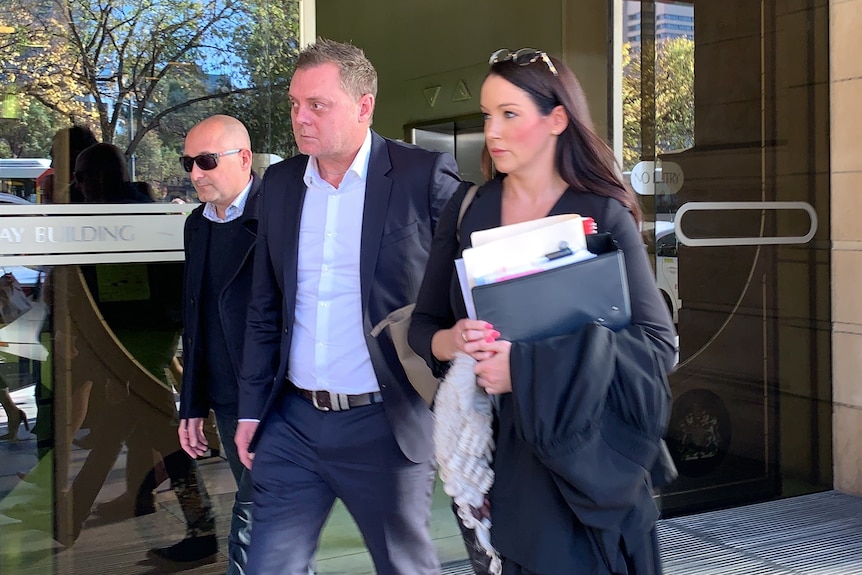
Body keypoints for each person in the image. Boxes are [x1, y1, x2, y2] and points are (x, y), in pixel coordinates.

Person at [408, 49, 678, 574]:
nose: (493, 131)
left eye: (510, 114)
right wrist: (454, 341)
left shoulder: (602, 214)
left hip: (595, 463)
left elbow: (657, 345)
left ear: (557, 119)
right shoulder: (468, 211)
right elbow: (424, 329)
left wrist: (525, 369)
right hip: (503, 467)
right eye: (488, 115)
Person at [235, 38, 462, 575]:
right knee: (267, 567)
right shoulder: (283, 184)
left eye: (318, 105)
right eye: (294, 104)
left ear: (364, 106)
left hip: (384, 422)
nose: (300, 118)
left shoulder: (422, 175)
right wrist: (251, 408)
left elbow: (466, 284)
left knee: (405, 567)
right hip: (290, 422)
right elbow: (265, 305)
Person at [62, 143, 217, 564]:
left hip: (135, 343)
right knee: (125, 430)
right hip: (145, 338)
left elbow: (123, 293)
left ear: (95, 179)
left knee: (163, 434)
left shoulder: (118, 218)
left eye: (80, 176)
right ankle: (76, 514)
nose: (76, 185)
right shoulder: (137, 211)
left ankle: (202, 530)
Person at [176, 114, 262, 575]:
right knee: (271, 523)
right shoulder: (197, 224)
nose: (194, 173)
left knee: (252, 520)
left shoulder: (280, 213)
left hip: (274, 398)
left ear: (244, 158)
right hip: (227, 401)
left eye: (206, 161)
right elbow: (198, 318)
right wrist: (191, 403)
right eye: (189, 161)